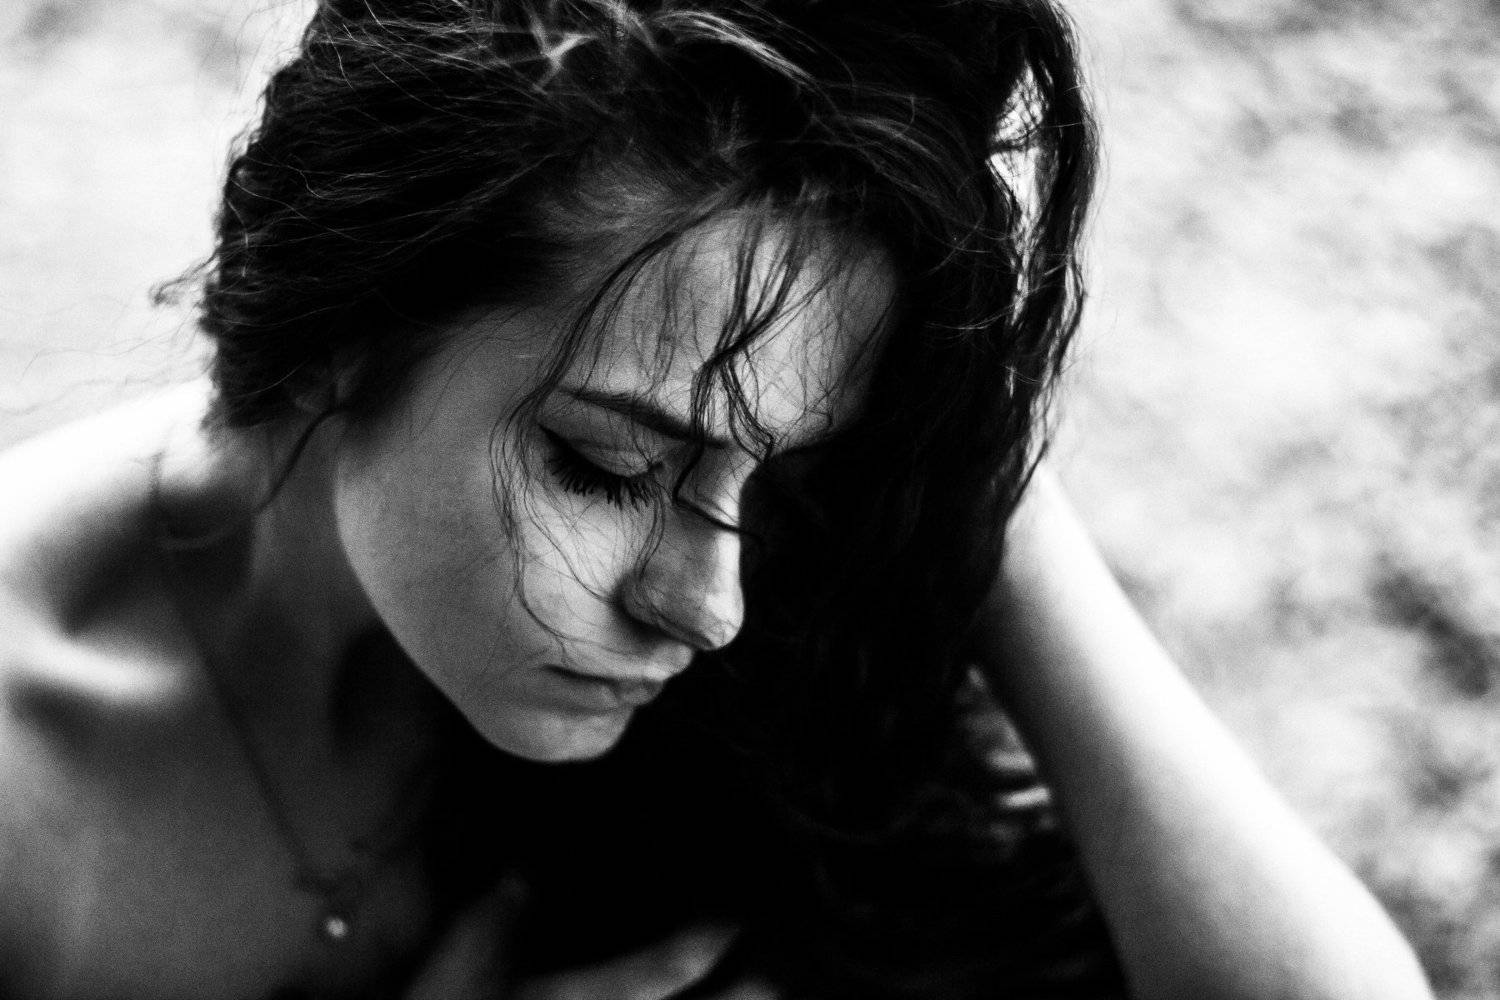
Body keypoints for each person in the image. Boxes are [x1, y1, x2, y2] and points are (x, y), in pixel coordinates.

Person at [0, 0, 1435, 998]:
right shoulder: (25, 772)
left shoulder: (793, 582)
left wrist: (967, 468)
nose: (711, 608)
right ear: (346, 326)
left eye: (790, 470)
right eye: (609, 467)